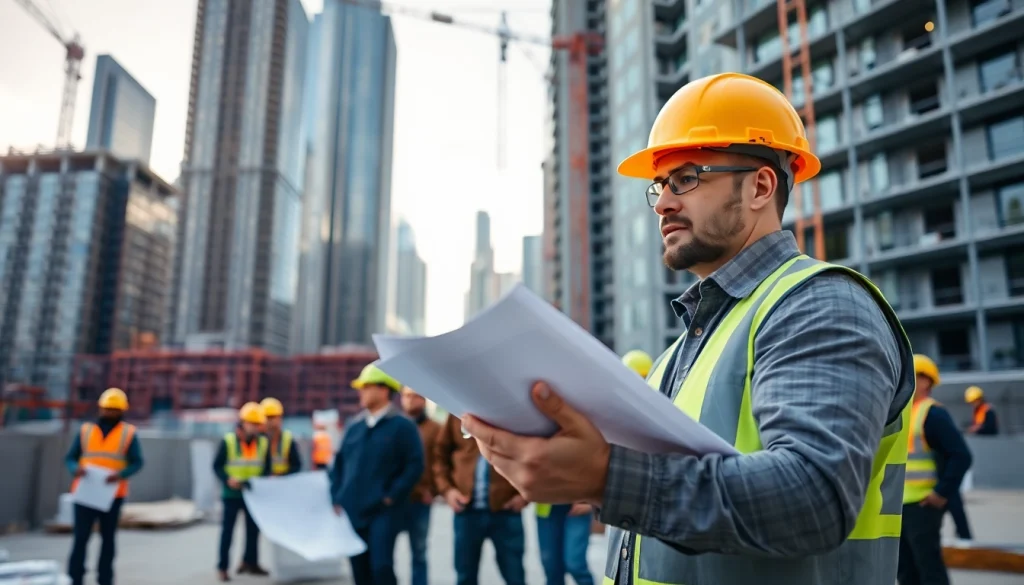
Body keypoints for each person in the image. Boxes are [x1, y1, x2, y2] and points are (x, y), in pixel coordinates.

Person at [461, 72, 917, 585]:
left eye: (687, 179)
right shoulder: (679, 354)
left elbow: (813, 498)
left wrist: (607, 476)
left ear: (761, 186)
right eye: (659, 186)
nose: (662, 203)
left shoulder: (819, 304)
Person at [330, 363, 424, 585]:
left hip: (384, 511)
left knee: (381, 568)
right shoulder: (354, 427)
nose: (361, 391)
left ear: (384, 390)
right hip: (353, 510)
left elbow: (414, 465)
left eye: (366, 386)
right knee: (359, 569)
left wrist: (391, 495)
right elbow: (339, 465)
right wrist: (336, 497)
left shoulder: (403, 427)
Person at [900, 355, 973, 585]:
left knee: (929, 568)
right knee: (905, 570)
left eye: (914, 376)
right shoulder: (901, 413)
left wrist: (941, 493)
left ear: (926, 381)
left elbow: (961, 456)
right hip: (899, 506)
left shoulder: (933, 414)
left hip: (924, 504)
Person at [434, 412, 528, 585]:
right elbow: (440, 454)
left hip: (506, 510)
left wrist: (524, 496)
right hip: (466, 510)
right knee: (465, 575)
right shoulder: (457, 412)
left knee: (515, 575)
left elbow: (532, 455)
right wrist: (447, 491)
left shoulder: (512, 413)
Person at [65, 388, 144, 585]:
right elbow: (70, 458)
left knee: (108, 540)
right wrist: (76, 469)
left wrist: (120, 475)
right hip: (85, 492)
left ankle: (105, 580)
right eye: (107, 409)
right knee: (80, 538)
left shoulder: (128, 433)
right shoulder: (86, 431)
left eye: (114, 409)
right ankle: (75, 579)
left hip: (112, 495)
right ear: (101, 408)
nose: (110, 413)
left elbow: (137, 462)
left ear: (122, 411)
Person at [213, 402, 271, 582]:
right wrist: (227, 479)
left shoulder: (263, 443)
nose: (254, 427)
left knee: (253, 531)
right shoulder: (228, 441)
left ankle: (250, 562)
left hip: (252, 493)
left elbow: (266, 468)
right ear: (243, 423)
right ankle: (223, 567)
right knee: (227, 532)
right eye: (252, 424)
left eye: (257, 424)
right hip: (231, 494)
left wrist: (254, 482)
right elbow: (217, 466)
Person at [399, 386, 442, 585]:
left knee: (419, 551)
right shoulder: (395, 426)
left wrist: (432, 491)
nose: (410, 400)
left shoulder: (434, 429)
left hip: (420, 500)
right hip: (396, 499)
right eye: (407, 396)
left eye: (415, 396)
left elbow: (439, 462)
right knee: (384, 553)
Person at [535, 502, 595, 585]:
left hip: (579, 505)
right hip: (547, 508)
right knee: (551, 567)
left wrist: (591, 502)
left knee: (575, 565)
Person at [260, 397, 301, 475]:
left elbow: (296, 466)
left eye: (273, 417)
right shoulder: (257, 440)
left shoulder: (287, 439)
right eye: (267, 417)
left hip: (283, 484)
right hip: (261, 484)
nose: (270, 422)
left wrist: (281, 476)